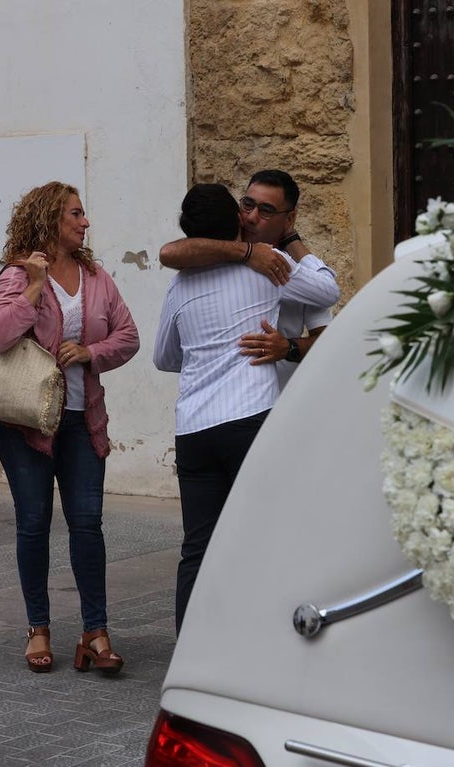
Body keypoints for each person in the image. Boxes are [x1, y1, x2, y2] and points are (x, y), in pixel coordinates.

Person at [153, 183, 340, 634]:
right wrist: (290, 243)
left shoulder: (179, 289)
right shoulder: (269, 268)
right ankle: (262, 643)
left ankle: (190, 652)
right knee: (264, 537)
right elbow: (328, 291)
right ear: (237, 221)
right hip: (250, 420)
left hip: (193, 428)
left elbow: (164, 359)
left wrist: (202, 354)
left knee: (197, 547)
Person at [0, 181, 140, 674]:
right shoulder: (15, 274)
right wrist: (33, 285)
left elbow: (129, 336)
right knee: (33, 524)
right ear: (50, 218)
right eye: (75, 214)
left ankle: (95, 632)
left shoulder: (96, 276)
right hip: (25, 423)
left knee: (88, 525)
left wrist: (91, 352)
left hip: (81, 420)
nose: (85, 222)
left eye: (84, 214)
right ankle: (38, 629)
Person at [159, 170, 336, 389]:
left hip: (282, 402)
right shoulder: (211, 258)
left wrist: (289, 347)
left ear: (289, 218)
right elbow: (169, 253)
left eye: (266, 211)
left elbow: (328, 340)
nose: (251, 217)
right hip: (223, 408)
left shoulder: (296, 273)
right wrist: (248, 251)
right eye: (248, 205)